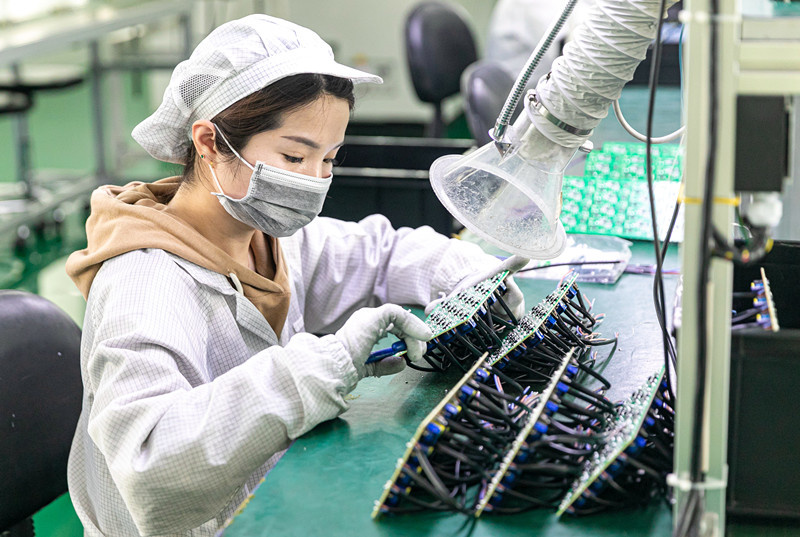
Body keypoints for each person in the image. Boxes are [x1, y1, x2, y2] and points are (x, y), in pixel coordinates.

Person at [65, 14, 527, 537]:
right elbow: (148, 464)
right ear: (210, 142)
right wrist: (312, 370)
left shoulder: (264, 233)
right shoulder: (145, 282)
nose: (313, 182)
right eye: (293, 155)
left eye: (328, 159)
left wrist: (466, 273)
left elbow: (379, 253)